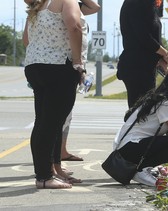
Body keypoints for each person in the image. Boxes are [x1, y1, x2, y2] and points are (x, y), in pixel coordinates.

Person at [23, 0, 84, 189]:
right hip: (58, 66)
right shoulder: (66, 1)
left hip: (34, 66)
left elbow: (26, 39)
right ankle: (44, 177)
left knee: (42, 122)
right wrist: (77, 61)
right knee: (52, 124)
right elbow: (74, 26)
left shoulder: (36, 6)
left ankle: (44, 173)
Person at [113, 67, 168, 186]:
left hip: (129, 147)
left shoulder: (163, 99)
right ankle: (141, 169)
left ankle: (144, 167)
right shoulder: (167, 103)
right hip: (129, 149)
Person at [51, 0, 100, 183]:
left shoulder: (72, 5)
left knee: (60, 118)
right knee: (53, 120)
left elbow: (95, 7)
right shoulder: (58, 5)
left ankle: (54, 162)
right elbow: (74, 28)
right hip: (63, 64)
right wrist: (78, 63)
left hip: (55, 65)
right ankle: (49, 167)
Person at [116, 0, 168, 110]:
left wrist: (161, 59)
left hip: (146, 66)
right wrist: (165, 53)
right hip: (136, 66)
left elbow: (155, 37)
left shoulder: (149, 5)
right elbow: (144, 36)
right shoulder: (136, 3)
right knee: (140, 112)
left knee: (144, 112)